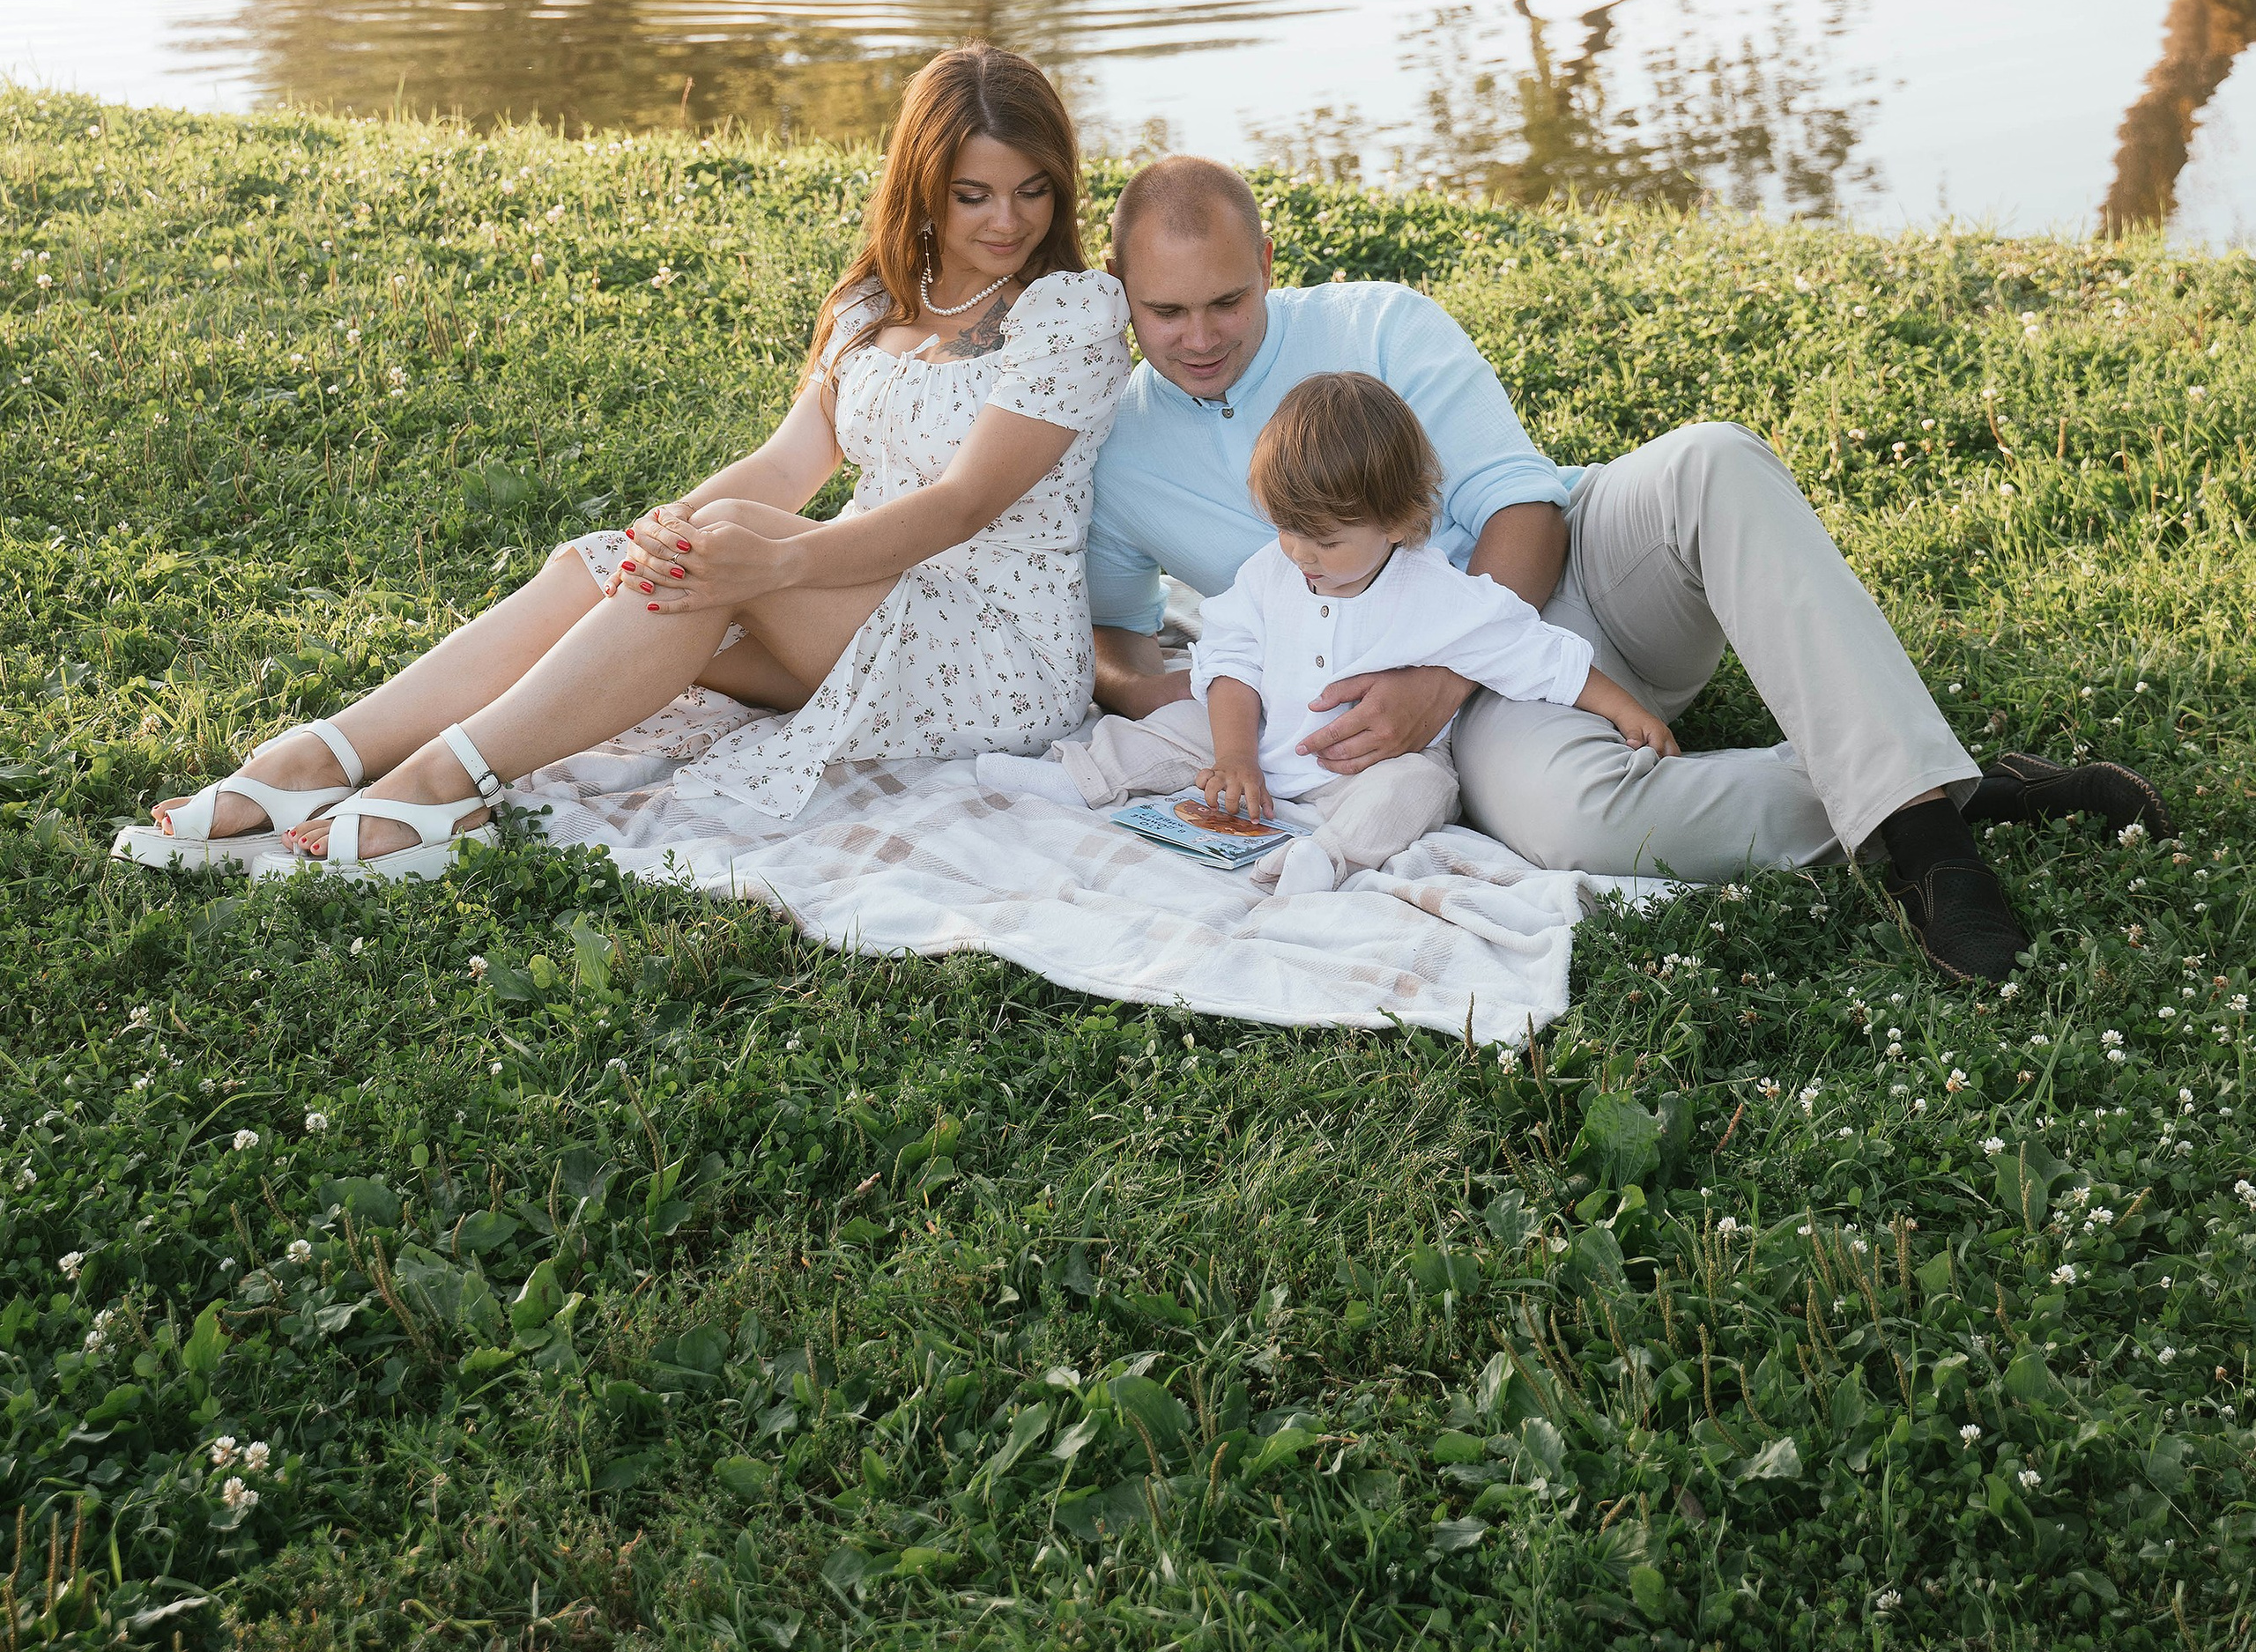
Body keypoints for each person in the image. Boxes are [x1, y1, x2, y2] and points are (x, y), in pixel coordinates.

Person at [1084, 157, 2169, 982]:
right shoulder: (1117, 453)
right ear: (1121, 291)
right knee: (1580, 827)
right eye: (1165, 311)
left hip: (1562, 581)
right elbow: (1118, 638)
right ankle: (1937, 781)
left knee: (1714, 461)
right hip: (1492, 719)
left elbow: (1522, 509)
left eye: (1226, 301)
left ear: (1268, 265)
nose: (1199, 338)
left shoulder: (1379, 323)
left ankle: (1932, 848)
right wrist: (1218, 712)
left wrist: (1442, 675)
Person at [134, 48, 1131, 872]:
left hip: (996, 648)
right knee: (627, 557)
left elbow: (961, 505)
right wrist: (656, 536)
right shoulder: (877, 303)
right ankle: (322, 754)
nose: (1008, 221)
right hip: (856, 604)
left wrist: (771, 560)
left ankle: (442, 783)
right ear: (922, 188)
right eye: (973, 195)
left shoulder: (1070, 315)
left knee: (717, 548)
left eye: (1031, 191)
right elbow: (784, 469)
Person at [981, 370, 1673, 895]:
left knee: (1418, 789)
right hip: (1257, 736)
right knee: (1168, 725)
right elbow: (1230, 661)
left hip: (1360, 769)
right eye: (1286, 530)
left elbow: (1534, 652)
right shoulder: (1270, 572)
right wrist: (1236, 756)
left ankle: (1326, 857)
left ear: (1398, 523)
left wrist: (1627, 711)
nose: (1301, 555)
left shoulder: (1437, 595)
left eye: (1327, 541)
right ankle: (1079, 777)